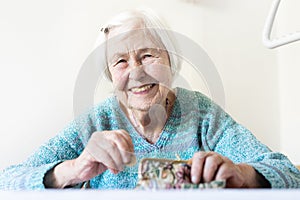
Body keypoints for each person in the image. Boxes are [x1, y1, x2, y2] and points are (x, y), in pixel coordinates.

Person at [0, 9, 300, 190]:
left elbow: (289, 174)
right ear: (109, 74)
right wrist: (75, 168)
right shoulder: (96, 121)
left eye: (147, 55)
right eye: (120, 62)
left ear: (170, 60)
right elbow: (8, 180)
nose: (137, 73)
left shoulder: (202, 114)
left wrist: (241, 173)